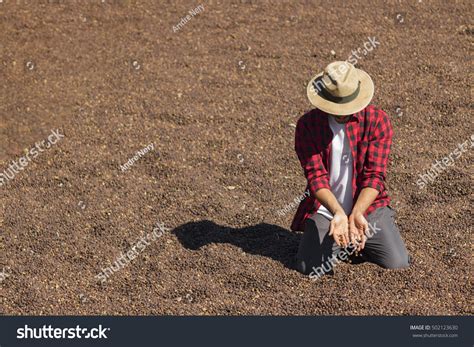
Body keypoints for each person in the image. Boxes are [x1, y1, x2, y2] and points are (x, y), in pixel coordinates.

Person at [291, 61, 410, 277]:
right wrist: (338, 212)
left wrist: (356, 213)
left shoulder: (377, 121)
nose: (341, 113)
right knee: (310, 269)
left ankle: (350, 241)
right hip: (326, 210)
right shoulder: (307, 125)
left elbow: (374, 176)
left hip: (368, 209)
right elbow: (316, 177)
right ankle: (344, 242)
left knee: (397, 262)